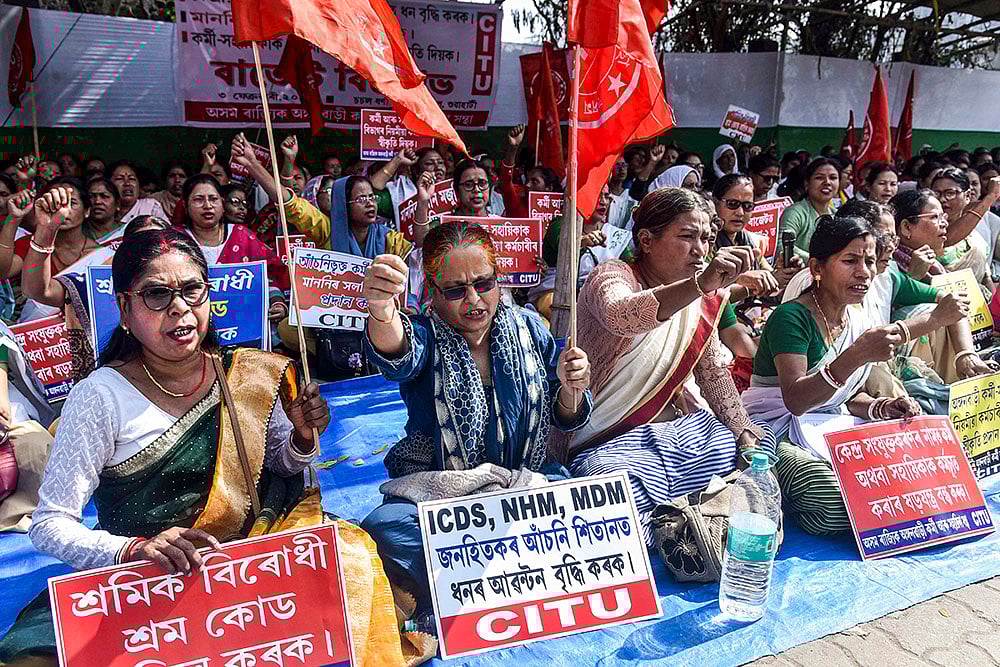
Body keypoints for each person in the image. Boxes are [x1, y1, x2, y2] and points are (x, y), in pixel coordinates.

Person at [0, 230, 413, 666]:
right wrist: (134, 549)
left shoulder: (247, 373)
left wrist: (301, 436)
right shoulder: (99, 397)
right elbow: (50, 525)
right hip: (148, 581)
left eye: (192, 290)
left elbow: (279, 467)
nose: (179, 307)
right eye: (157, 295)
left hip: (253, 568)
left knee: (365, 576)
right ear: (125, 308)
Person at [359, 221, 593, 615]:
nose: (474, 301)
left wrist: (572, 390)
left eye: (484, 284)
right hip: (444, 498)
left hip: (525, 486)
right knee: (385, 529)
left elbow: (564, 416)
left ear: (499, 280)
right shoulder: (425, 335)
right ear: (431, 294)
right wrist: (382, 310)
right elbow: (398, 352)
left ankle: (465, 582)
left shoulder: (531, 327)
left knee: (587, 504)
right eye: (455, 290)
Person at [555, 187, 775, 545]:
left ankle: (679, 525)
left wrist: (742, 430)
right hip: (604, 443)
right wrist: (700, 285)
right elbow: (622, 315)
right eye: (687, 237)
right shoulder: (611, 275)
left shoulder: (704, 299)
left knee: (734, 449)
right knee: (606, 491)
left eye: (706, 238)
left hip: (669, 436)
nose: (701, 250)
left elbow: (713, 375)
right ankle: (676, 528)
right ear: (646, 240)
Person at [744, 215, 920, 534]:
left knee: (906, 466)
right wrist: (857, 355)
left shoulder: (854, 318)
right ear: (817, 268)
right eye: (850, 260)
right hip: (776, 428)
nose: (864, 273)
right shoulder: (792, 317)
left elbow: (846, 398)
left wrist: (882, 408)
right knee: (827, 497)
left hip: (826, 424)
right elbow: (797, 401)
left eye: (869, 261)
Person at [177, 174, 289, 303]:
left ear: (222, 204)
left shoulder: (241, 236)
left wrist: (277, 302)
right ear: (185, 206)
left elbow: (269, 274)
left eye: (213, 199)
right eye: (198, 200)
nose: (207, 205)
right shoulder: (177, 240)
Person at [17, 180, 110, 323]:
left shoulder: (104, 258)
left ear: (87, 211)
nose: (63, 209)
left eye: (71, 203)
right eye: (55, 202)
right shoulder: (32, 244)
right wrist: (46, 227)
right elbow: (35, 292)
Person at [778, 158, 840, 260]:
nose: (827, 182)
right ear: (807, 184)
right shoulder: (795, 212)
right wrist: (820, 262)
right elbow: (782, 247)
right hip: (801, 273)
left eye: (833, 178)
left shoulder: (838, 215)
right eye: (820, 178)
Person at [371, 146, 448, 228]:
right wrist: (397, 160)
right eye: (429, 163)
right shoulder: (400, 193)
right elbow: (371, 190)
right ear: (416, 171)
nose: (438, 167)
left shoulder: (453, 194)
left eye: (440, 162)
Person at [498, 124, 563, 218]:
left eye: (535, 181)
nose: (527, 185)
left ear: (549, 187)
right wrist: (513, 148)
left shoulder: (559, 211)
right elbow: (505, 180)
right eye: (528, 180)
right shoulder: (517, 204)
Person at [107, 161, 167, 225]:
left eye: (132, 179)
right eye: (120, 178)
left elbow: (168, 233)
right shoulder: (101, 207)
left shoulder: (151, 207)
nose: (127, 183)